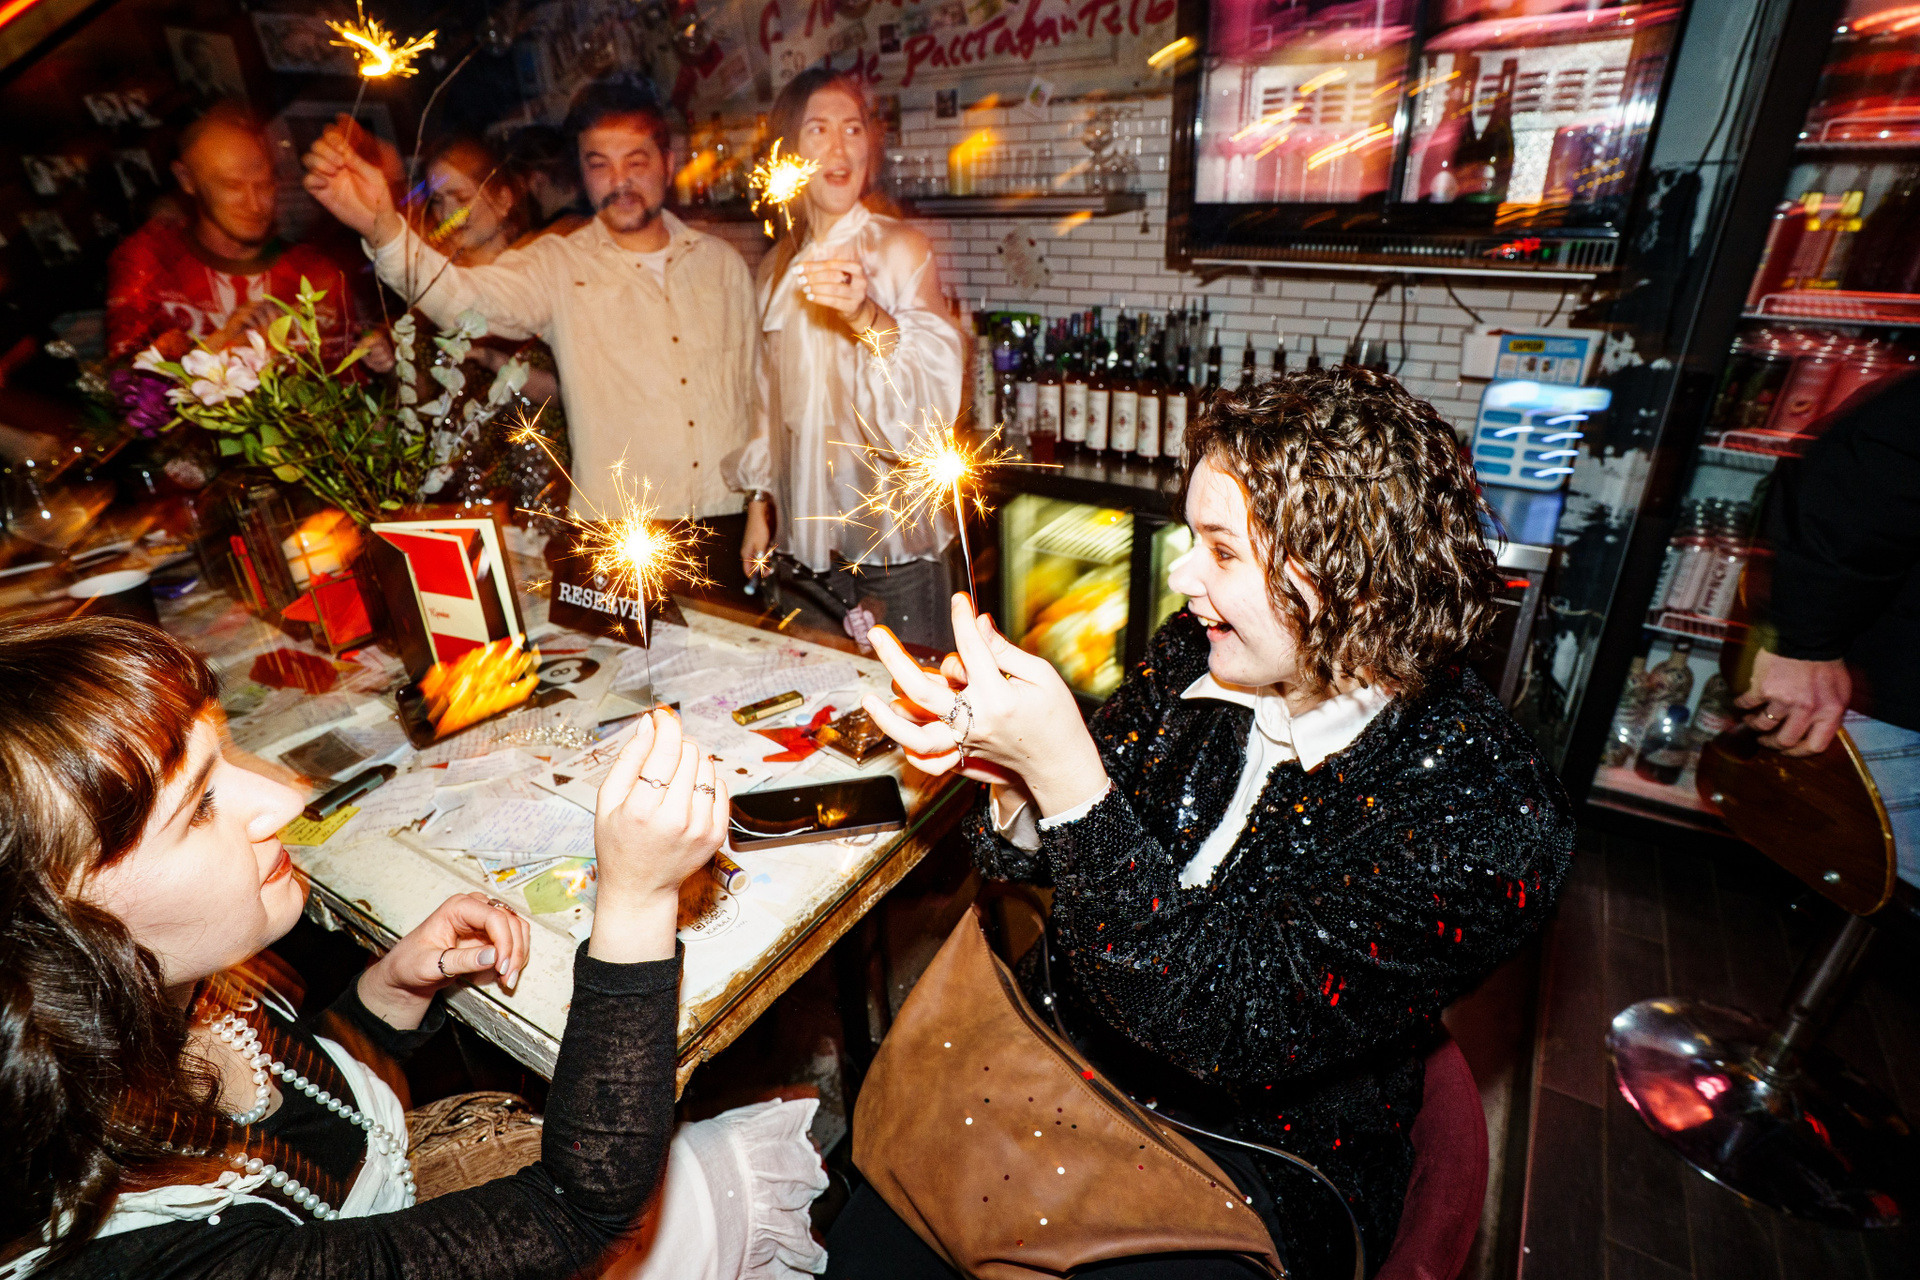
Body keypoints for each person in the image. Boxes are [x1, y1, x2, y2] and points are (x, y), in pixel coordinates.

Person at [847, 369, 1578, 1278]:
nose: (1182, 574)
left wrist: (1068, 780)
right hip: (1056, 1047)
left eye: (1223, 552)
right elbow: (1081, 853)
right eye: (1194, 536)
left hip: (1253, 1157)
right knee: (874, 1230)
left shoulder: (1491, 817)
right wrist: (1017, 783)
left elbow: (1224, 1022)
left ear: (1352, 581)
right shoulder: (1198, 647)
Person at [0, 618, 825, 1279]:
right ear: (56, 939)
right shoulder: (171, 1261)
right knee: (736, 1162)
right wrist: (639, 899)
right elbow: (581, 1212)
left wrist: (387, 996)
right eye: (200, 806)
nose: (285, 796)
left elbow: (296, 1110)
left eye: (226, 750)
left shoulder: (165, 993)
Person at [300, 78, 756, 543]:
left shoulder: (722, 265)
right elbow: (464, 303)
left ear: (669, 163)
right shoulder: (558, 264)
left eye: (636, 162)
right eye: (599, 164)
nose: (619, 181)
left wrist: (763, 502)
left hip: (733, 521)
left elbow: (757, 394)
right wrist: (381, 227)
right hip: (623, 538)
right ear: (582, 174)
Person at [725, 69, 968, 652]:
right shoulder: (776, 268)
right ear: (789, 151)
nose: (839, 148)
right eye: (818, 129)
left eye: (853, 129)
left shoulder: (901, 249)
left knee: (915, 701)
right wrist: (759, 506)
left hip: (894, 551)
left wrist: (865, 315)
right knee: (815, 701)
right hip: (804, 551)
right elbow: (766, 402)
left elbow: (923, 419)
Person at [107, 102, 359, 363]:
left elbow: (350, 377)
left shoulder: (317, 274)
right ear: (187, 179)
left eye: (264, 185)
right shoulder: (153, 263)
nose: (254, 205)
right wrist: (220, 345)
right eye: (232, 185)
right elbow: (125, 381)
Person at [412, 135, 570, 514]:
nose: (449, 214)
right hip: (467, 495)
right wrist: (389, 361)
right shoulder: (441, 292)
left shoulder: (542, 276)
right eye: (438, 200)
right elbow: (423, 400)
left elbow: (574, 392)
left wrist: (495, 361)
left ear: (502, 200)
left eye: (461, 198)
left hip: (545, 486)